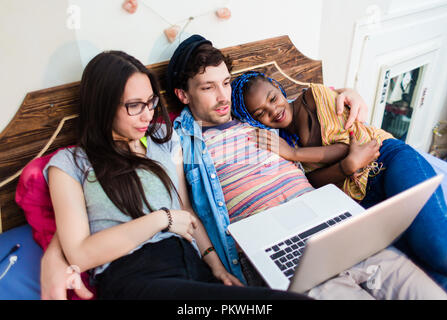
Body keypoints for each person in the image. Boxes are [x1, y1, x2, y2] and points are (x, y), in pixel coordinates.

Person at [168, 35, 447, 299]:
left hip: (332, 217)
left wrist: (345, 92)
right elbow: (186, 211)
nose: (222, 96)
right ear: (183, 95)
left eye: (226, 83)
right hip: (278, 243)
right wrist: (216, 267)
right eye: (208, 87)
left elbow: (296, 105)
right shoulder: (182, 140)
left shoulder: (252, 115)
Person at [40, 50, 311, 300]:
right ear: (103, 105)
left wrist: (217, 267)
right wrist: (162, 219)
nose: (147, 115)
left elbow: (186, 210)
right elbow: (81, 254)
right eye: (135, 105)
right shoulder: (70, 163)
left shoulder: (164, 141)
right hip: (137, 277)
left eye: (150, 102)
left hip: (194, 271)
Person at [230, 71, 447, 293]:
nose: (273, 110)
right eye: (261, 113)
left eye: (272, 99)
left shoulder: (313, 97)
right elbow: (317, 182)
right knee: (419, 267)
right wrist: (346, 167)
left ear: (277, 87)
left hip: (387, 162)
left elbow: (347, 147)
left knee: (438, 248)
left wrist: (295, 154)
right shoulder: (281, 143)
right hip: (360, 198)